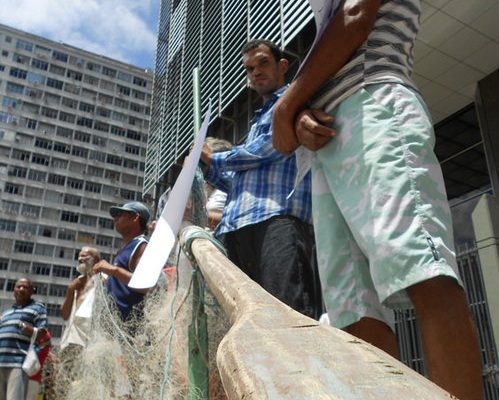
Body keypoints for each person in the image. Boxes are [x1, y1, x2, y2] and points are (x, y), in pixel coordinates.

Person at [271, 1, 483, 399]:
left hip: (375, 104)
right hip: (327, 141)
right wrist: (300, 114)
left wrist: (287, 106)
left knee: (422, 268)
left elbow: (356, 15)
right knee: (353, 310)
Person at [200, 39, 322, 319]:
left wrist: (213, 158)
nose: (255, 72)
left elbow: (272, 147)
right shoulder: (256, 121)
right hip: (237, 228)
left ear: (282, 66)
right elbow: (240, 183)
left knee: (288, 316)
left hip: (278, 220)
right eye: (249, 68)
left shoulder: (292, 101)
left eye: (263, 63)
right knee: (244, 320)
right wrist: (207, 168)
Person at [93, 201, 150, 323]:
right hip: (114, 326)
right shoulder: (125, 248)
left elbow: (145, 285)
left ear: (135, 217)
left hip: (130, 327)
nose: (115, 219)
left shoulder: (142, 245)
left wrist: (113, 270)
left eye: (120, 215)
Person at [0, 278, 47, 400]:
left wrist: (28, 329)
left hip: (18, 363)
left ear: (31, 291)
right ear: (14, 290)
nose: (21, 289)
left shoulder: (38, 308)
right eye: (18, 286)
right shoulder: (6, 313)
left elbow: (42, 333)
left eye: (25, 287)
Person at [60, 246, 101, 350]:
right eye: (79, 256)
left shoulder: (103, 280)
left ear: (96, 259)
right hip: (70, 342)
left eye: (84, 256)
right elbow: (65, 315)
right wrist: (70, 290)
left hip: (91, 344)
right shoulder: (76, 283)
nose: (80, 259)